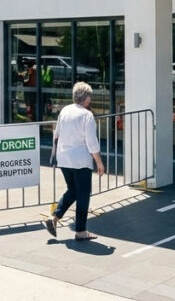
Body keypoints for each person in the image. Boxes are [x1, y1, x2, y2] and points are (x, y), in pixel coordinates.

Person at [43, 82, 106, 240]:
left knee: (73, 190)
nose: (90, 100)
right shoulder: (87, 115)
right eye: (90, 97)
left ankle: (55, 218)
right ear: (86, 98)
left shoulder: (65, 110)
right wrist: (99, 163)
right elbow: (91, 142)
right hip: (80, 160)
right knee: (83, 194)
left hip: (64, 158)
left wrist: (55, 154)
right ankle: (80, 231)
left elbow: (56, 134)